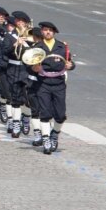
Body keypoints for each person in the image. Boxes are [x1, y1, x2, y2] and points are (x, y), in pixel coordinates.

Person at [31, 20, 73, 154]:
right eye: (45, 30)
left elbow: (70, 62)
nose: (47, 32)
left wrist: (71, 66)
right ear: (42, 32)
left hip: (59, 82)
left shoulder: (62, 47)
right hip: (43, 82)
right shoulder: (37, 47)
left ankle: (55, 133)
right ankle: (46, 139)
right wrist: (34, 68)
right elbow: (29, 64)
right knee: (45, 113)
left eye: (50, 30)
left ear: (54, 32)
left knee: (60, 115)